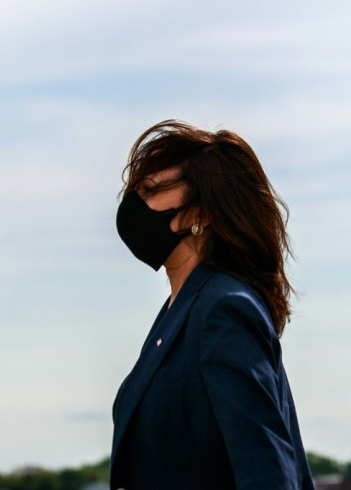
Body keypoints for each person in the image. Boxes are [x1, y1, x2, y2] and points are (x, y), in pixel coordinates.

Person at [109, 120, 315, 489]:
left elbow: (266, 469)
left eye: (151, 190)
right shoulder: (179, 310)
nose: (134, 204)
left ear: (202, 213)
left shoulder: (223, 309)